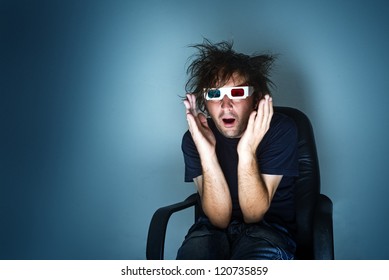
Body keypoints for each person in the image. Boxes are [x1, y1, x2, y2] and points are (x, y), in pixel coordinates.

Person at [176, 40, 299, 260]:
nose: (225, 105)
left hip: (268, 231)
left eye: (237, 92)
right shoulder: (194, 139)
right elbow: (219, 220)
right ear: (205, 101)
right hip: (211, 232)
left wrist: (247, 150)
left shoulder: (281, 130)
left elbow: (253, 215)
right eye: (215, 94)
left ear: (256, 99)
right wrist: (207, 152)